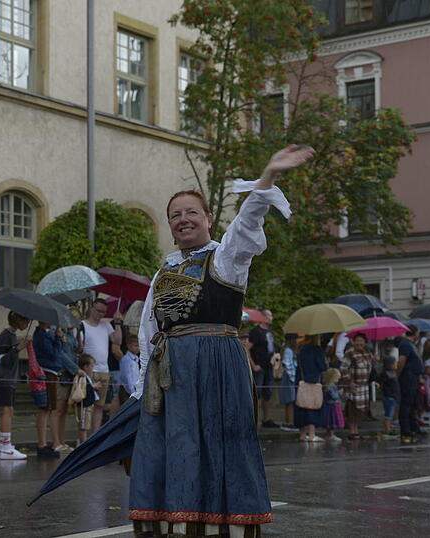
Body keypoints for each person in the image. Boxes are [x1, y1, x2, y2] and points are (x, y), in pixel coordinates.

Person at [130, 144, 316, 535]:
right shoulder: (164, 271)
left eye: (191, 212)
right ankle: (181, 524)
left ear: (209, 219)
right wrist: (142, 388)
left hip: (217, 365)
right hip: (171, 374)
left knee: (224, 441)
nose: (183, 220)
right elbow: (148, 332)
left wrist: (268, 175)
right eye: (175, 215)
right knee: (177, 445)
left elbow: (248, 220)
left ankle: (225, 526)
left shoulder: (226, 257)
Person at [78, 298, 121, 434]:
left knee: (100, 405)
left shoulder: (106, 325)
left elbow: (117, 341)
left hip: (104, 370)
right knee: (87, 405)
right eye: (98, 311)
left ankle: (95, 434)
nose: (100, 314)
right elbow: (79, 347)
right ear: (92, 309)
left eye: (103, 312)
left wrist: (117, 323)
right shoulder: (83, 325)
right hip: (89, 370)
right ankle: (84, 435)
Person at [0, 310, 31, 460]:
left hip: (9, 379)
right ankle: (4, 446)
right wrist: (17, 349)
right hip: (4, 379)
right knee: (7, 410)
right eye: (26, 321)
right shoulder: (5, 336)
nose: (27, 324)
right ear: (18, 320)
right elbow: (2, 360)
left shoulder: (12, 336)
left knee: (10, 410)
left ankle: (6, 444)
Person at [32, 321, 63, 458]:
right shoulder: (41, 336)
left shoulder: (43, 334)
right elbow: (53, 354)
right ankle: (42, 444)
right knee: (44, 408)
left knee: (46, 408)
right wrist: (57, 339)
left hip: (50, 371)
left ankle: (43, 443)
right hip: (47, 372)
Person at [51, 324, 80, 454]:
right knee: (57, 410)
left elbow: (75, 351)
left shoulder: (71, 334)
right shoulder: (55, 331)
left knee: (64, 411)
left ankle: (61, 441)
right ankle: (56, 442)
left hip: (69, 376)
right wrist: (75, 369)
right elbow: (60, 354)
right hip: (61, 374)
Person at [295, 335, 329, 443]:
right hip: (313, 381)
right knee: (312, 407)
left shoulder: (300, 349)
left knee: (301, 405)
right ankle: (312, 434)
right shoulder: (317, 350)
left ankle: (302, 434)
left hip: (301, 381)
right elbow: (323, 367)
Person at [249, 310, 279, 428]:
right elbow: (247, 348)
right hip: (259, 368)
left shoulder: (270, 332)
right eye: (270, 315)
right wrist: (253, 365)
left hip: (269, 367)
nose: (272, 318)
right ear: (264, 317)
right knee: (257, 393)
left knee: (268, 393)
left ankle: (266, 419)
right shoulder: (255, 332)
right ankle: (253, 419)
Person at [397, 327, 425, 443]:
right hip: (408, 377)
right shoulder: (405, 344)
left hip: (414, 377)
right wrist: (398, 374)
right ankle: (405, 429)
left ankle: (414, 427)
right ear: (416, 333)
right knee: (406, 404)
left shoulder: (412, 344)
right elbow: (402, 360)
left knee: (413, 404)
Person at [342, 334, 374, 439]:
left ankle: (356, 430)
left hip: (364, 386)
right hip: (354, 385)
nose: (359, 343)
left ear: (365, 342)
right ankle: (352, 431)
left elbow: (370, 367)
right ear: (353, 342)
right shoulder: (350, 352)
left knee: (360, 410)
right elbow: (344, 367)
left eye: (361, 341)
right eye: (357, 341)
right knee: (352, 409)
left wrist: (375, 360)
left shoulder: (367, 353)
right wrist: (349, 381)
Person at [73, 354, 100, 444]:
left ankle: (84, 441)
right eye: (92, 366)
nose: (93, 368)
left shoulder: (87, 377)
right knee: (83, 425)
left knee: (86, 424)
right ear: (86, 367)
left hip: (88, 404)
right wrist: (93, 386)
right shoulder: (82, 377)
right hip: (84, 405)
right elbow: (84, 389)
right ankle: (83, 442)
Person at [371, 355, 400, 437]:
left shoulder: (393, 373)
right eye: (394, 364)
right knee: (388, 414)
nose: (396, 365)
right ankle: (387, 430)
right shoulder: (385, 374)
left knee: (391, 413)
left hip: (393, 396)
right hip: (389, 396)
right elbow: (380, 381)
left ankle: (389, 428)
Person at [278, 334, 299, 432]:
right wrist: (293, 378)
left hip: (288, 377)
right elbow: (288, 365)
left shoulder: (287, 350)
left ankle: (288, 422)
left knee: (289, 401)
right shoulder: (288, 351)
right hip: (289, 378)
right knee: (290, 400)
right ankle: (290, 422)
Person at [322, 368, 344, 442]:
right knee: (332, 420)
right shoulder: (330, 386)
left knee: (330, 421)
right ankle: (331, 435)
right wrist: (340, 392)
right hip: (332, 406)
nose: (338, 379)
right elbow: (334, 396)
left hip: (330, 405)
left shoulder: (329, 385)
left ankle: (329, 434)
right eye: (337, 377)